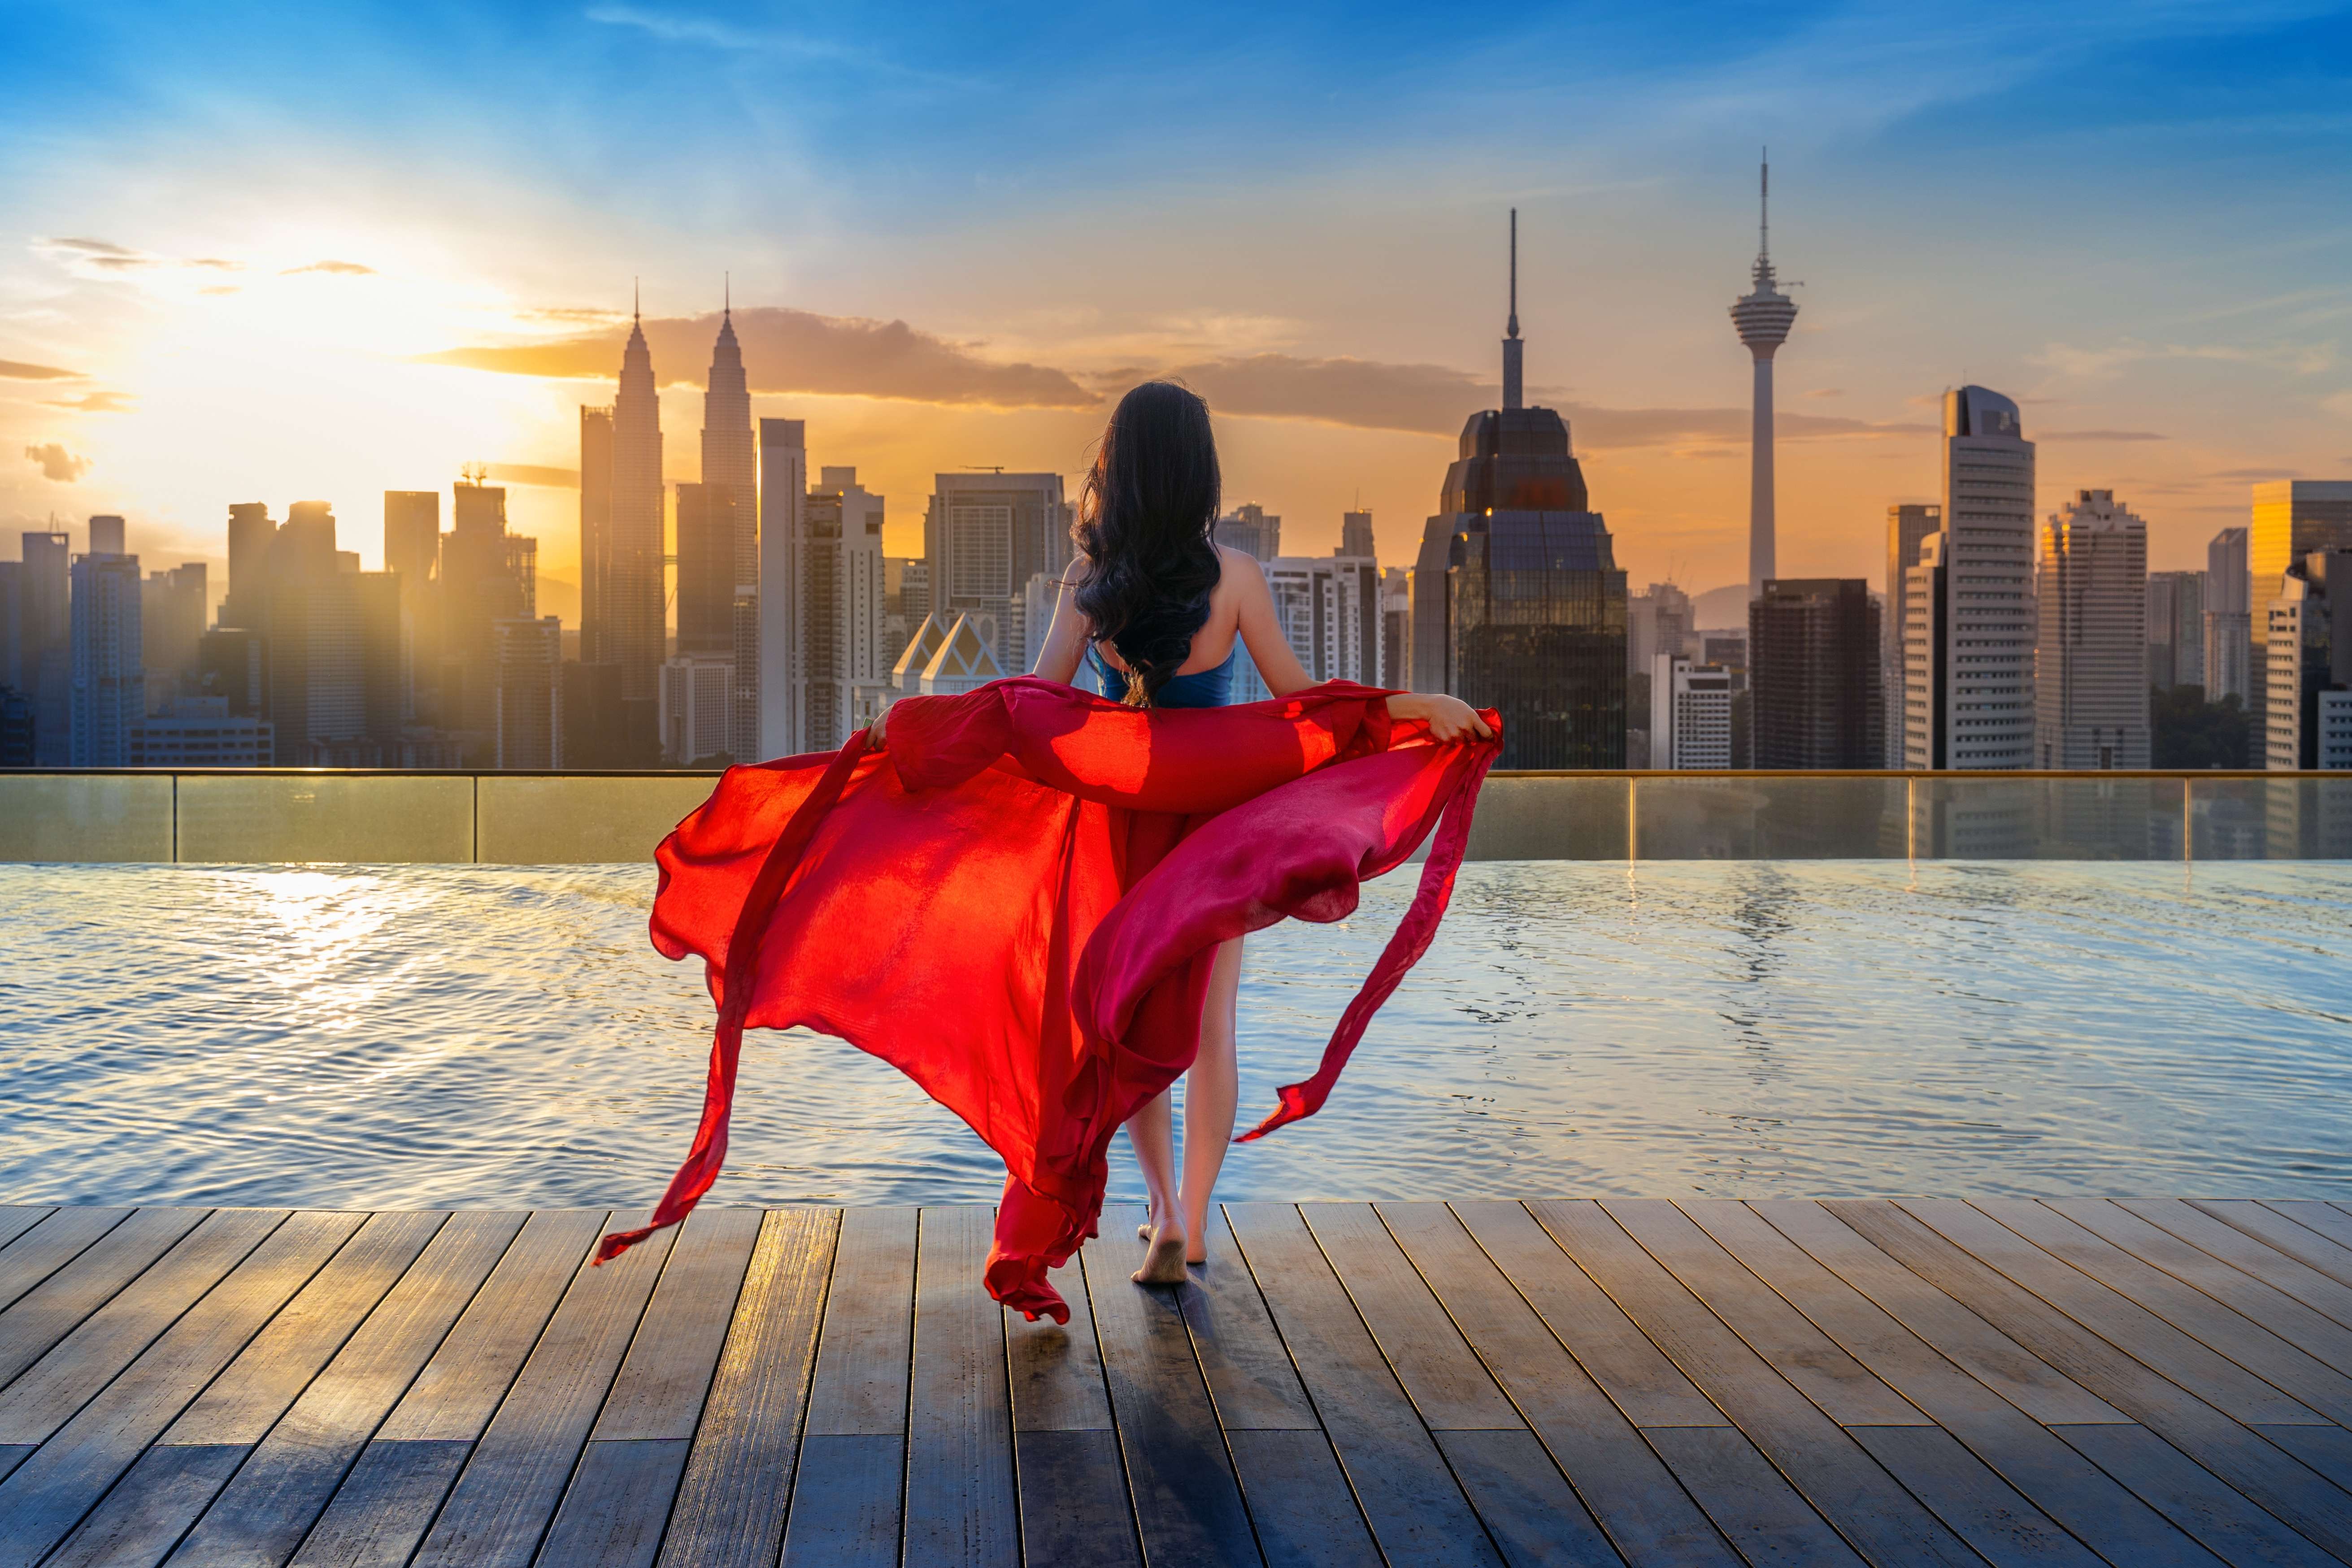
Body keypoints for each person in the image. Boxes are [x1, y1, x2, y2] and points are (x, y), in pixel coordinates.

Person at [900, 379, 1490, 1284]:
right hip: (1213, 831)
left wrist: (908, 733)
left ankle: (1163, 1213)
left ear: (1117, 466)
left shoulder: (1090, 582)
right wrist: (1418, 708)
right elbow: (1307, 703)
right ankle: (1199, 1223)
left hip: (1119, 820)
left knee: (1128, 1017)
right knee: (1211, 1026)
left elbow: (1032, 702)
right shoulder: (1237, 577)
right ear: (1200, 469)